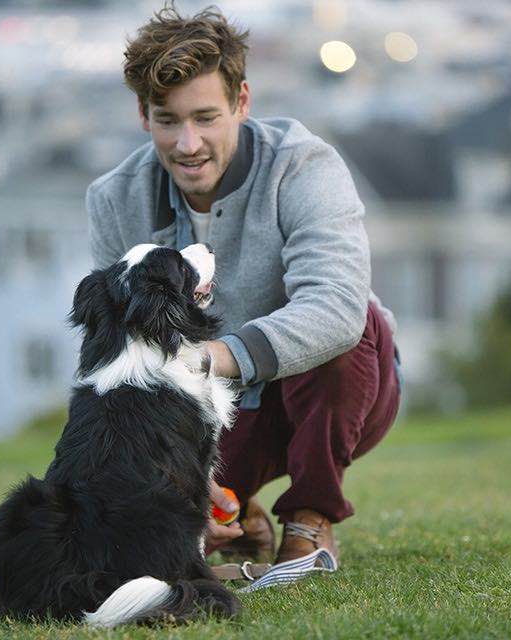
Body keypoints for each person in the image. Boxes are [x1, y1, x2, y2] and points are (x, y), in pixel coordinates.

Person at [86, 3, 401, 570]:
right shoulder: (114, 199)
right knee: (162, 542)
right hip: (210, 413)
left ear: (242, 102)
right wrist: (168, 482)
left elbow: (336, 309)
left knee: (352, 329)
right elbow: (116, 360)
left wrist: (211, 358)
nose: (187, 144)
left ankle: (310, 516)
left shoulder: (304, 166)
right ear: (142, 114)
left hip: (340, 390)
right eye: (167, 120)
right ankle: (240, 515)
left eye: (206, 117)